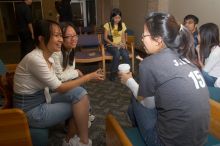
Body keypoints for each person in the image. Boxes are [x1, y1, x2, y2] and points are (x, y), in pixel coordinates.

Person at [119, 12, 210, 146]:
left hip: (164, 142)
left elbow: (148, 104)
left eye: (144, 35)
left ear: (159, 40)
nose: (142, 38)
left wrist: (128, 81)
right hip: (200, 140)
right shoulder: (187, 58)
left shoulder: (149, 64)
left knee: (136, 96)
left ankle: (136, 130)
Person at [13, 19, 104, 146]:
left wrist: (84, 78)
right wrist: (88, 77)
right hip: (30, 111)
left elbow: (57, 84)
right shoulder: (35, 59)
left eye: (61, 35)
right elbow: (59, 87)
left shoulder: (47, 56)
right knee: (79, 106)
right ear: (41, 38)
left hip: (44, 98)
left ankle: (76, 140)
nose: (61, 39)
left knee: (80, 94)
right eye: (56, 35)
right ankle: (76, 141)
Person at [52, 22, 95, 127]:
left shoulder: (70, 49)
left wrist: (75, 73)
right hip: (53, 89)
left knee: (79, 83)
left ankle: (84, 113)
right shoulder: (56, 52)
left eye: (75, 35)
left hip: (63, 84)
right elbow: (59, 77)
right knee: (79, 85)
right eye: (69, 36)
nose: (74, 39)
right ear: (61, 38)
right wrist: (77, 72)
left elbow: (70, 70)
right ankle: (82, 115)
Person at [103, 8, 130, 81]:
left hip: (119, 45)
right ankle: (113, 73)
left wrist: (123, 44)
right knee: (117, 53)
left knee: (125, 53)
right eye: (115, 18)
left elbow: (123, 37)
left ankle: (128, 73)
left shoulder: (123, 24)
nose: (117, 19)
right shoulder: (107, 25)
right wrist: (114, 45)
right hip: (110, 45)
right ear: (112, 17)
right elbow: (105, 38)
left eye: (119, 18)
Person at [197, 23, 220, 87]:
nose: (197, 36)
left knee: (196, 74)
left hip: (215, 79)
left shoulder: (216, 52)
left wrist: (199, 52)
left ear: (205, 36)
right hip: (209, 74)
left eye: (199, 34)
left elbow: (204, 71)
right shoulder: (208, 47)